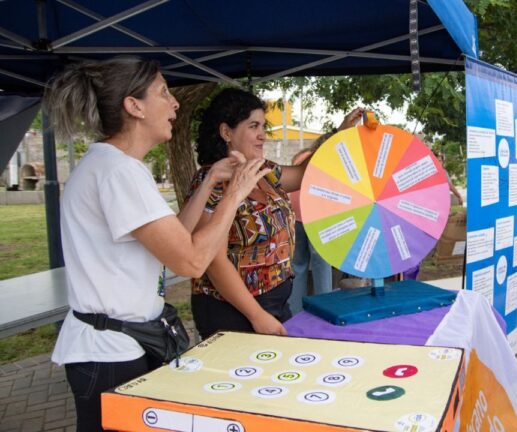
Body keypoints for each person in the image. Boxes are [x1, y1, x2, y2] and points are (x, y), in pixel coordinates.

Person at [43, 58, 269, 431]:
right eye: (163, 93)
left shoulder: (114, 166)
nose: (175, 103)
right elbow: (192, 261)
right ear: (134, 107)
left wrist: (212, 179)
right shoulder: (119, 172)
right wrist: (236, 194)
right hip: (110, 352)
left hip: (123, 344)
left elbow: (173, 240)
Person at [188, 88, 363, 338]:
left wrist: (338, 135)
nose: (262, 136)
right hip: (232, 311)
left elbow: (305, 173)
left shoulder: (264, 171)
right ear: (226, 132)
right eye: (253, 126)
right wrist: (257, 315)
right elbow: (214, 261)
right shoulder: (212, 180)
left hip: (275, 304)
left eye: (263, 127)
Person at [287, 138, 333, 314]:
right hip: (317, 217)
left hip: (296, 216)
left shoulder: (301, 157)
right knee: (322, 264)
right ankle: (325, 308)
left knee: (298, 265)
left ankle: (295, 311)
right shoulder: (323, 160)